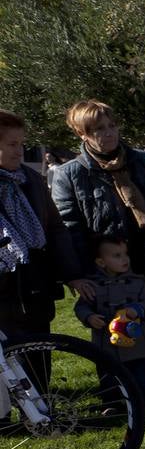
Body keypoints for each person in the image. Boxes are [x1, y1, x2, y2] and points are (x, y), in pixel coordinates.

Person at [49, 99, 145, 270]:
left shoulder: (140, 160)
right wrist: (80, 272)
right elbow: (69, 228)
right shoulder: (68, 174)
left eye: (112, 125)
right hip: (106, 269)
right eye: (99, 129)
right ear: (82, 133)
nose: (109, 133)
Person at [0, 109, 90, 338]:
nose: (19, 152)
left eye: (21, 144)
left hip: (34, 283)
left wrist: (72, 273)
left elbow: (55, 229)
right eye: (12, 144)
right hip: (4, 287)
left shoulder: (30, 180)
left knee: (38, 358)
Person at [74, 236, 145, 400]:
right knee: (109, 376)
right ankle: (111, 403)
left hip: (136, 343)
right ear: (101, 262)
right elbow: (81, 307)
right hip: (106, 344)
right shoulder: (93, 286)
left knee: (139, 374)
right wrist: (89, 317)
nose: (124, 259)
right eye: (117, 256)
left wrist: (137, 309)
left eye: (125, 254)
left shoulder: (137, 282)